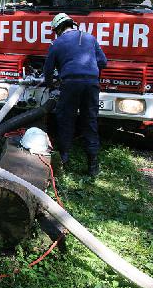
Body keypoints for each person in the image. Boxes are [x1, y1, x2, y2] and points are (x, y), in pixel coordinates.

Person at [43, 13, 107, 177]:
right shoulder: (90, 38)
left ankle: (64, 160)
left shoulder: (56, 43)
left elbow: (48, 70)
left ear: (58, 29)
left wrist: (51, 86)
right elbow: (103, 62)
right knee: (90, 120)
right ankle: (93, 165)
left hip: (70, 84)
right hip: (91, 84)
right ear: (72, 24)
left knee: (66, 119)